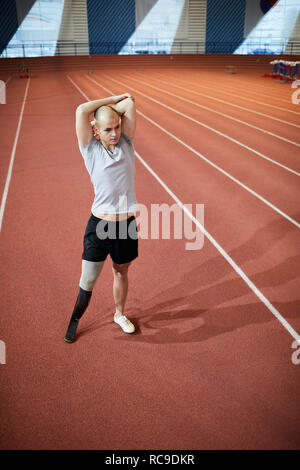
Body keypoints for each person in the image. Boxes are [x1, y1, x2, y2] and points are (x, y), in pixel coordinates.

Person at [64, 93, 139, 343]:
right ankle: (75, 319)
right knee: (88, 280)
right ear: (96, 130)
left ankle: (119, 314)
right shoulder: (90, 149)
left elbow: (130, 103)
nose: (115, 133)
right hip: (100, 226)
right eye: (108, 129)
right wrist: (110, 101)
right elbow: (81, 110)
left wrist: (112, 110)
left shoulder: (127, 143)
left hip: (126, 226)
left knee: (121, 272)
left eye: (117, 127)